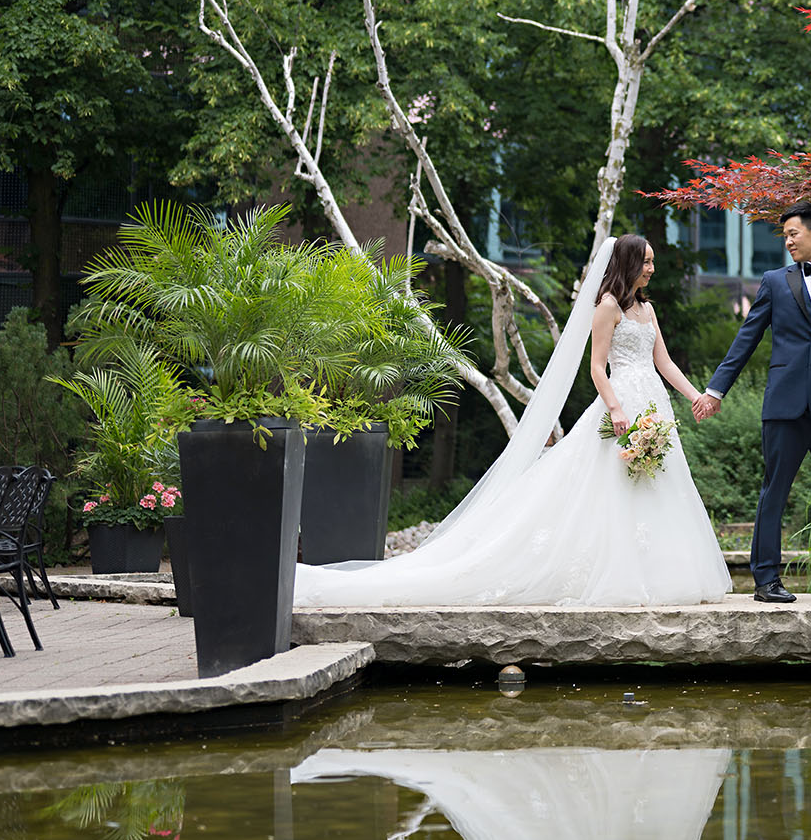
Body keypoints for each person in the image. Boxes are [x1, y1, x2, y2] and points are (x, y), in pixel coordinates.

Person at [293, 235, 730, 607]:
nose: (652, 268)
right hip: (620, 406)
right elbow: (597, 367)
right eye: (647, 261)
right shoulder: (608, 306)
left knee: (654, 485)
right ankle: (611, 574)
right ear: (630, 263)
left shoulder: (646, 310)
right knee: (610, 487)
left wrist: (697, 396)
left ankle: (659, 572)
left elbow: (664, 362)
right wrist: (615, 407)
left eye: (652, 261)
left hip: (652, 405)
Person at [694, 202, 811, 603]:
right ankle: (767, 580)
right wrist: (715, 390)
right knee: (774, 491)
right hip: (784, 405)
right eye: (786, 235)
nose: (788, 241)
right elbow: (747, 338)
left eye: (793, 233)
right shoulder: (774, 281)